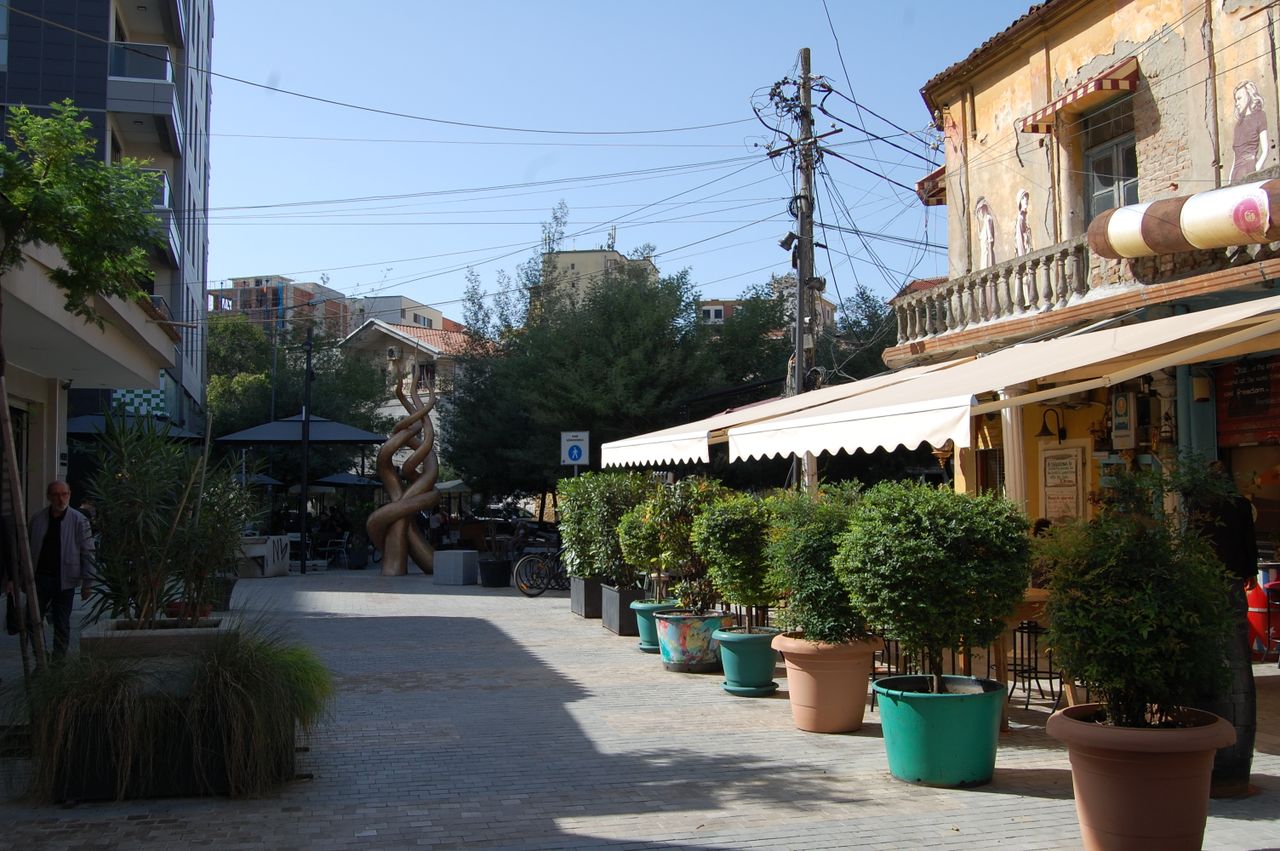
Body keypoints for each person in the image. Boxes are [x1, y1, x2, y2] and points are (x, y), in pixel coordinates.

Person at [28, 480, 95, 658]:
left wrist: (88, 582)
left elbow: (88, 551)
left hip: (65, 578)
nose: (60, 499)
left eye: (64, 494)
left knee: (61, 622)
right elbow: (27, 549)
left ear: (69, 495)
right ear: (49, 497)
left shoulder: (79, 520)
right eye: (56, 495)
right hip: (40, 577)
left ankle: (58, 661)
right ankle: (41, 658)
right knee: (32, 620)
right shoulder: (38, 519)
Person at [1229, 80, 1270, 184]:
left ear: (1248, 96)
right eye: (1235, 100)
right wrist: (1229, 180)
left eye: (1239, 98)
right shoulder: (1238, 125)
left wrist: (1256, 170)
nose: (1237, 103)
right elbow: (1235, 157)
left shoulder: (1260, 116)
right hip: (1236, 174)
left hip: (1250, 170)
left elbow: (1265, 150)